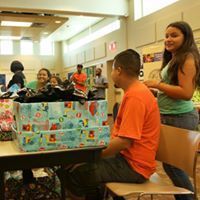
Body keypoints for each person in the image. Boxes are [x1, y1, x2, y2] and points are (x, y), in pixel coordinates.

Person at [57, 49, 160, 200]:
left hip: (134, 167)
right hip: (128, 160)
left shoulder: (136, 97)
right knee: (71, 166)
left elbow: (124, 142)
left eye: (112, 70)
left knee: (76, 173)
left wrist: (93, 156)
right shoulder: (135, 92)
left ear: (118, 71)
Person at [144, 21, 200, 200]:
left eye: (174, 35)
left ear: (186, 37)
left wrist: (157, 84)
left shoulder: (187, 58)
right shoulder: (175, 58)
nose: (168, 39)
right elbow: (173, 87)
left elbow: (186, 93)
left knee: (174, 166)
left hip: (180, 117)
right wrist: (156, 91)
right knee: (170, 166)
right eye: (167, 36)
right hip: (170, 116)